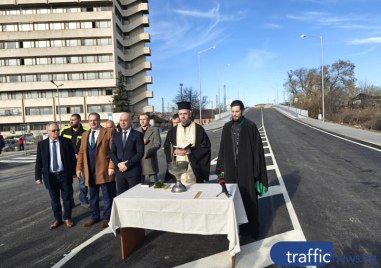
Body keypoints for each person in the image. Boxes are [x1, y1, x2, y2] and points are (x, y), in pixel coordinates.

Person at [216, 100, 268, 238]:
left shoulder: (251, 126)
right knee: (233, 200)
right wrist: (221, 170)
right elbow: (222, 149)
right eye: (232, 112)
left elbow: (258, 151)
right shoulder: (226, 127)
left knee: (249, 199)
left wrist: (257, 173)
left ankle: (252, 230)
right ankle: (236, 228)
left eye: (237, 111)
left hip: (247, 170)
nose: (234, 114)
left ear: (242, 111)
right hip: (231, 170)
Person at [76, 112, 115, 228]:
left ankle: (107, 217)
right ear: (88, 122)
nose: (93, 122)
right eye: (90, 120)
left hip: (104, 170)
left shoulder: (108, 132)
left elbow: (113, 151)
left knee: (107, 196)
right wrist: (78, 168)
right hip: (90, 170)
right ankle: (94, 216)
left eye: (95, 120)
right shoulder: (84, 135)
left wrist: (111, 166)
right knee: (93, 196)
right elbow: (81, 152)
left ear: (99, 120)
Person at [35, 122, 76, 229]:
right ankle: (57, 219)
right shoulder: (42, 144)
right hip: (50, 176)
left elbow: (72, 159)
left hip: (64, 175)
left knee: (66, 198)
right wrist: (38, 177)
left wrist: (74, 172)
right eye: (53, 131)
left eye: (57, 130)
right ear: (48, 132)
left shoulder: (66, 142)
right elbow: (39, 162)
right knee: (54, 199)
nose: (56, 132)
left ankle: (67, 218)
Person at [164, 101, 211, 184]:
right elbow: (167, 147)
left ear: (190, 113)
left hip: (193, 169)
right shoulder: (172, 131)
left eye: (185, 113)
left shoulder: (199, 129)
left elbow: (206, 147)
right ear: (178, 114)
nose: (183, 116)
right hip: (177, 169)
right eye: (180, 114)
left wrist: (191, 151)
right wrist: (174, 151)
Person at [110, 112, 144, 195]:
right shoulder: (116, 136)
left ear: (131, 122)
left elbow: (140, 153)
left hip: (133, 172)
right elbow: (112, 153)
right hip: (120, 172)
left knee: (134, 196)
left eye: (125, 120)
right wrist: (118, 164)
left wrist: (127, 164)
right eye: (121, 120)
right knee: (121, 196)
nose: (122, 122)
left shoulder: (137, 135)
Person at [61, 114, 89, 208]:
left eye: (74, 120)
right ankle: (70, 201)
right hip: (68, 162)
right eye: (70, 120)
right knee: (68, 183)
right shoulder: (65, 131)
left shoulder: (85, 132)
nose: (71, 121)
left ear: (79, 120)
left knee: (82, 182)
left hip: (80, 161)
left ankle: (83, 199)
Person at [136, 113, 161, 184]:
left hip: (150, 160)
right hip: (138, 161)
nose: (142, 121)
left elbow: (157, 144)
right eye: (140, 119)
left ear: (148, 120)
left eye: (144, 119)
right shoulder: (136, 130)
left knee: (154, 185)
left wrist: (148, 152)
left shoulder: (154, 130)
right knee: (140, 185)